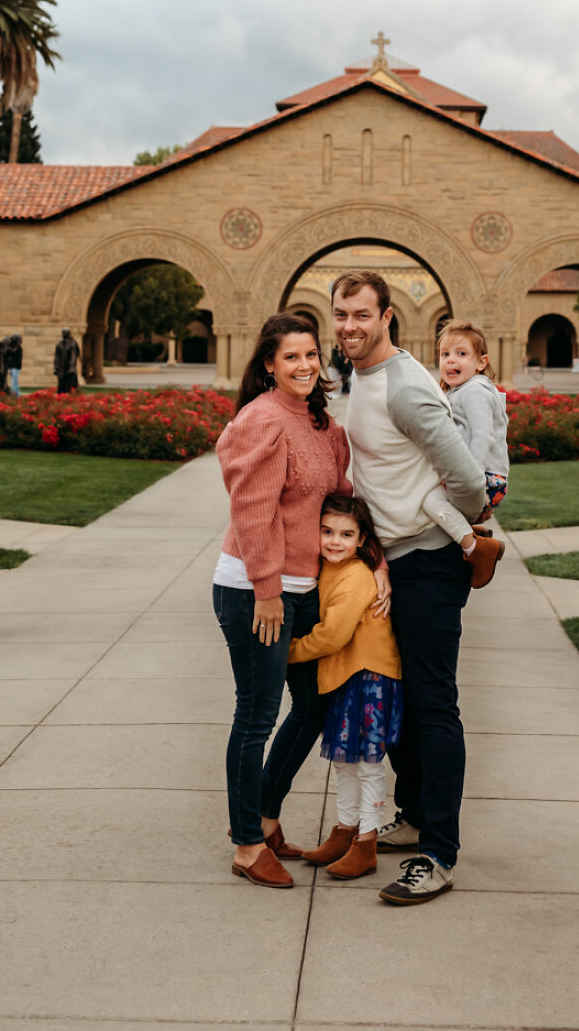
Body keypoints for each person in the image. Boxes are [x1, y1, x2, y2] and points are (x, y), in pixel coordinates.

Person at [212, 312, 390, 890]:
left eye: (311, 354)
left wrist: (376, 561)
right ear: (269, 364)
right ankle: (245, 844)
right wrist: (266, 591)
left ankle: (265, 817)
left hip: (302, 588)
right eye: (291, 357)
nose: (305, 365)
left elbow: (344, 506)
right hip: (253, 590)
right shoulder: (260, 421)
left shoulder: (324, 428)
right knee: (257, 714)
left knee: (312, 708)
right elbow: (253, 513)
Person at [332, 269, 484, 905]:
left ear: (387, 316)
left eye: (361, 315)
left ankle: (439, 854)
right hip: (391, 561)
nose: (348, 327)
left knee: (432, 705)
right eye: (340, 315)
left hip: (427, 562)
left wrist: (429, 520)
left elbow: (471, 484)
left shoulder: (404, 389)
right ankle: (415, 817)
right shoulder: (359, 377)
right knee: (407, 707)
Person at [289, 494, 402, 880]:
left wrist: (290, 653)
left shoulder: (355, 575)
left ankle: (366, 843)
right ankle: (344, 830)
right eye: (327, 531)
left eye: (346, 534)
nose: (334, 541)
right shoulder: (326, 569)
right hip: (345, 675)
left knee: (368, 764)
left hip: (369, 676)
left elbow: (333, 634)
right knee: (344, 761)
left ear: (361, 539)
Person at [420, 320, 510, 587]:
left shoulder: (475, 391)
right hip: (477, 476)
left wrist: (472, 480)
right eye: (445, 354)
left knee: (429, 501)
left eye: (461, 354)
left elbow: (483, 436)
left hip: (485, 478)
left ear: (481, 362)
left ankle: (478, 549)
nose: (450, 361)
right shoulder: (460, 390)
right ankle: (473, 532)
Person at [54, 328, 80, 392]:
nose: (63, 334)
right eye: (63, 332)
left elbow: (74, 356)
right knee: (61, 386)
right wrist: (56, 368)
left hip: (70, 368)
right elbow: (57, 357)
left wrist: (72, 367)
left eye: (65, 332)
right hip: (61, 368)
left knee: (69, 386)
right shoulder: (59, 344)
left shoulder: (73, 343)